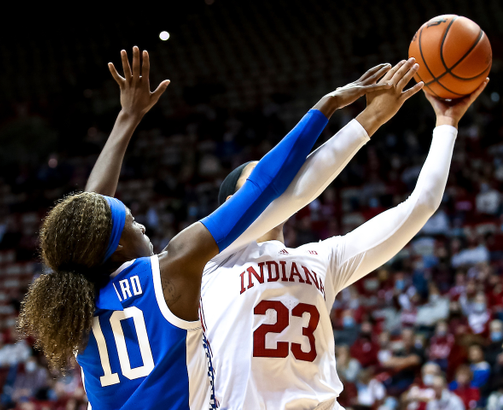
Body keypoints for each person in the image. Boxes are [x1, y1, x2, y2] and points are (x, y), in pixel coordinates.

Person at [16, 47, 394, 410]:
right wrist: (325, 107)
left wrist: (127, 119)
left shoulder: (74, 295)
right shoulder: (172, 271)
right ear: (115, 247)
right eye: (132, 222)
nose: (143, 225)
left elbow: (89, 217)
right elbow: (265, 185)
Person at [199, 60, 489, 408]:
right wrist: (367, 119)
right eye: (258, 177)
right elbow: (302, 189)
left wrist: (446, 125)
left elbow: (420, 206)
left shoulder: (323, 258)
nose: (272, 183)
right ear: (231, 203)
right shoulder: (211, 260)